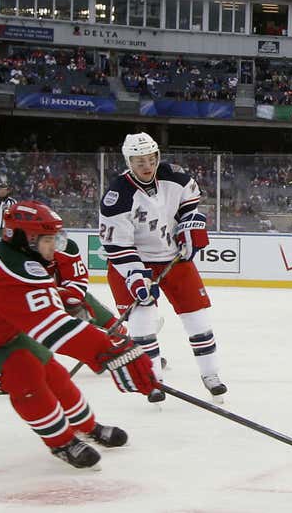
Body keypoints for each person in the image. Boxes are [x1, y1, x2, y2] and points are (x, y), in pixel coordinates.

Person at [0, 200, 158, 469]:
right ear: (26, 239)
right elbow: (54, 330)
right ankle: (61, 442)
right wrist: (117, 351)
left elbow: (18, 300)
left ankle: (87, 426)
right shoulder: (14, 271)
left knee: (48, 366)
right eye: (48, 240)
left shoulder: (1, 242)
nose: (55, 247)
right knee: (23, 373)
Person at [99, 132, 226, 401]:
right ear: (129, 162)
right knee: (143, 325)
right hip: (134, 262)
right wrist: (135, 276)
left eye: (150, 159)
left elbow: (189, 207)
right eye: (139, 161)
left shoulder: (176, 177)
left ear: (157, 156)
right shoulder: (116, 196)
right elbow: (117, 246)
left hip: (173, 259)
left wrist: (190, 226)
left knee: (198, 318)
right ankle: (153, 381)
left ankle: (211, 374)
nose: (146, 165)